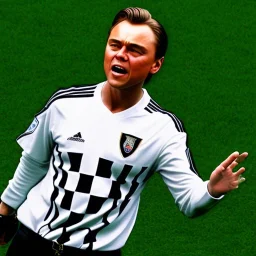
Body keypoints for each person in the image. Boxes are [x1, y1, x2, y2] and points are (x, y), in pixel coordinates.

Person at [0, 7, 248, 256]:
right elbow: (33, 162)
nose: (121, 55)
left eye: (134, 50)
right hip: (30, 244)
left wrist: (212, 190)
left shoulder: (163, 130)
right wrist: (5, 209)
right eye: (114, 45)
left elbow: (189, 201)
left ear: (156, 64)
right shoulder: (64, 104)